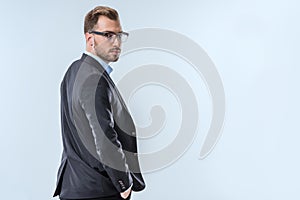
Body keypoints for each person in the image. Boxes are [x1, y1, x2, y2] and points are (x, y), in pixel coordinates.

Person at [53, 6, 146, 200]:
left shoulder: (74, 71)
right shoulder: (92, 79)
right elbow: (104, 137)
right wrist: (124, 183)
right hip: (98, 190)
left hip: (77, 186)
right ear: (90, 38)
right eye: (108, 35)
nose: (117, 42)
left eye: (120, 35)